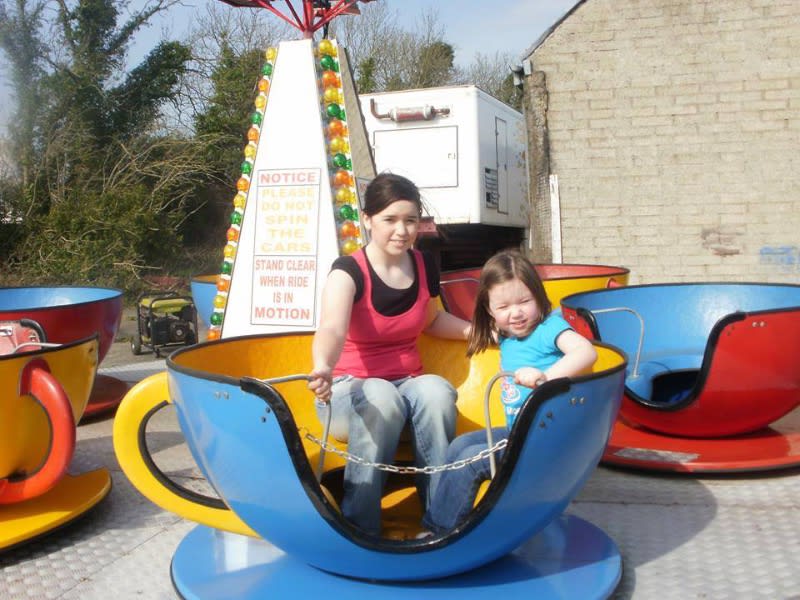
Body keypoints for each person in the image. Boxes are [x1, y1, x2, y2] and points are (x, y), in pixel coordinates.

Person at [308, 172, 471, 536]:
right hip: (349, 391)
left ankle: (438, 520)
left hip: (405, 385)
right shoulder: (347, 271)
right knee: (381, 396)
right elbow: (332, 328)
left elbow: (432, 320)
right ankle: (360, 527)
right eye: (390, 220)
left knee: (436, 391)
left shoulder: (424, 265)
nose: (402, 230)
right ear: (367, 220)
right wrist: (323, 366)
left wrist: (477, 333)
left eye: (410, 220)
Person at [422, 249, 597, 534]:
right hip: (518, 432)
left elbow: (585, 351)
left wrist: (545, 377)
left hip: (542, 438)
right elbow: (468, 332)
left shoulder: (548, 328)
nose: (515, 313)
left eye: (524, 302)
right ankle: (446, 515)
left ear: (539, 298)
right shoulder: (506, 335)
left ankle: (442, 531)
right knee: (458, 446)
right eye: (503, 307)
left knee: (472, 461)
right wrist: (425, 325)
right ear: (490, 310)